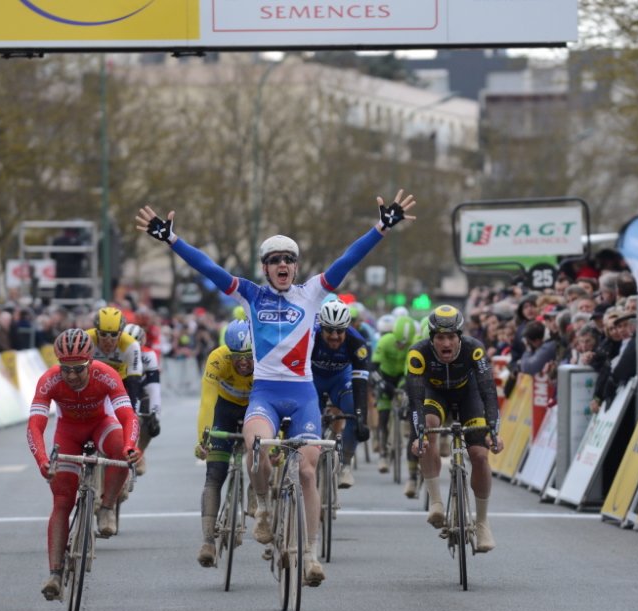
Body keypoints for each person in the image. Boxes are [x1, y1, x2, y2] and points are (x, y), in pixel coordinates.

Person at [136, 189, 415, 587]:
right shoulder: (250, 294)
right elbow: (209, 268)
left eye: (288, 259)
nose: (282, 265)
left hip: (303, 396)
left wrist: (381, 229)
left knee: (307, 470)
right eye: (274, 260)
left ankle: (311, 555)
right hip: (264, 394)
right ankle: (264, 507)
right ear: (265, 268)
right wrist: (172, 240)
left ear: (296, 267)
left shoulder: (313, 293)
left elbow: (349, 259)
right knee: (258, 451)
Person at [26, 329, 141, 600]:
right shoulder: (49, 380)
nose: (72, 376)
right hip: (68, 432)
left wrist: (131, 445)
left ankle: (108, 505)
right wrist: (42, 460)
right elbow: (34, 426)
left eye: (79, 369)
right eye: (66, 369)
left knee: (120, 451)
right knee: (63, 500)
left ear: (90, 362)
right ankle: (55, 573)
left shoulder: (106, 374)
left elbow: (128, 416)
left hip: (100, 424)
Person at [406, 305, 504, 553]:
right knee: (428, 428)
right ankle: (436, 501)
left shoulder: (474, 349)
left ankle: (482, 523)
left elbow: (488, 392)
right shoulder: (418, 353)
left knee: (480, 456)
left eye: (451, 337)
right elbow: (415, 400)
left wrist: (493, 430)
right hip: (434, 394)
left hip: (467, 395)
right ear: (432, 338)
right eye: (440, 337)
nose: (446, 343)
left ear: (459, 336)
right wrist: (418, 435)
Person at [193, 319, 254, 568]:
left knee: (266, 456)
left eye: (248, 356)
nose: (243, 362)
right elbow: (207, 402)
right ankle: (208, 541)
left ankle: (257, 499)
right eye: (237, 356)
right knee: (215, 474)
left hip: (255, 408)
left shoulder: (266, 359)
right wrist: (203, 439)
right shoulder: (217, 359)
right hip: (224, 410)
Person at [310, 300, 370, 488]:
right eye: (329, 331)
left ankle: (345, 465)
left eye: (340, 331)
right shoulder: (310, 337)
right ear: (321, 328)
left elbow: (361, 385)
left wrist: (361, 419)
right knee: (309, 415)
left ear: (347, 328)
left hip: (340, 379)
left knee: (353, 410)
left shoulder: (357, 342)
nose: (335, 336)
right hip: (313, 378)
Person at [372, 315, 417, 491]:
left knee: (406, 399)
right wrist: (380, 383)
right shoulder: (385, 341)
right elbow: (373, 367)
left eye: (403, 345)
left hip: (401, 377)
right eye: (398, 343)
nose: (400, 346)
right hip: (385, 376)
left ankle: (404, 428)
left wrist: (406, 389)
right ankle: (383, 452)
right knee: (383, 415)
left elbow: (411, 372)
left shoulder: (413, 346)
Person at [122, 323, 162, 476]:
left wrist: (155, 414)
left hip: (142, 389)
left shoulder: (148, 355)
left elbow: (154, 388)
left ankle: (140, 451)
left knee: (148, 420)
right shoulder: (117, 352)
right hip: (122, 387)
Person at [86, 306, 144, 409]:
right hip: (92, 382)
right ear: (96, 332)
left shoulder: (131, 345)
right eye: (103, 334)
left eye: (113, 335)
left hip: (120, 382)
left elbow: (134, 380)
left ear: (121, 333)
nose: (108, 341)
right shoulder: (86, 339)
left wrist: (132, 410)